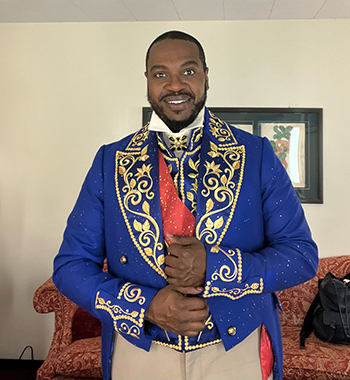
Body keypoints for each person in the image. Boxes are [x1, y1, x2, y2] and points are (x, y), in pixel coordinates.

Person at [53, 30, 318, 380]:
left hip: (235, 349)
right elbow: (70, 267)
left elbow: (301, 257)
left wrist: (215, 266)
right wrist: (145, 306)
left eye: (188, 71)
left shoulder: (256, 155)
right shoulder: (110, 162)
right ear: (147, 80)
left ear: (207, 76)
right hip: (140, 350)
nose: (175, 85)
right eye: (161, 74)